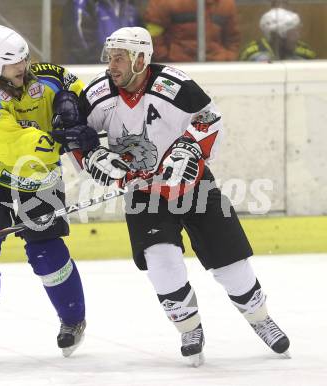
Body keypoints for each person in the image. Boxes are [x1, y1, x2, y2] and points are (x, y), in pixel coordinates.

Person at [53, 26, 290, 366]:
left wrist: (189, 150)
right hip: (142, 193)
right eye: (110, 56)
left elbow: (210, 118)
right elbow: (74, 134)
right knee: (161, 260)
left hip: (193, 186)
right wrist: (93, 157)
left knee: (230, 263)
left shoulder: (174, 85)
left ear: (140, 58)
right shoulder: (100, 93)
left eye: (120, 57)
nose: (112, 64)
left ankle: (261, 319)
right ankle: (189, 329)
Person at [0, 24, 99, 365]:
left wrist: (75, 108)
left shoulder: (49, 77)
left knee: (46, 252)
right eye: (12, 62)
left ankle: (72, 319)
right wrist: (59, 140)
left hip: (38, 178)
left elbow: (87, 96)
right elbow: (11, 145)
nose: (23, 66)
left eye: (24, 58)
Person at [143, 0, 240, 62]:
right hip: (176, 66)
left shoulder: (226, 4)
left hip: (216, 65)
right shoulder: (165, 2)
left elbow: (233, 37)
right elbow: (153, 34)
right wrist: (165, 58)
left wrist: (228, 58)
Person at [62, 0, 141, 64]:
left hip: (123, 72)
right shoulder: (81, 4)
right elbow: (80, 44)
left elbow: (138, 42)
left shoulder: (129, 5)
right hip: (90, 72)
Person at [240, 7, 316, 61]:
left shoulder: (305, 53)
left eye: (298, 31)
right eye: (293, 33)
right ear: (276, 36)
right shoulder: (253, 55)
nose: (298, 36)